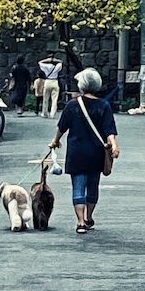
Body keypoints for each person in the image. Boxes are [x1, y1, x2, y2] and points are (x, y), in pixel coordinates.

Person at [47, 65, 118, 234]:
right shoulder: (103, 106)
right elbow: (109, 130)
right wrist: (114, 146)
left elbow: (62, 127)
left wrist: (55, 141)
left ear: (82, 85)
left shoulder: (72, 105)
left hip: (76, 152)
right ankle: (88, 217)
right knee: (93, 186)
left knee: (78, 186)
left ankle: (80, 222)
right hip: (96, 153)